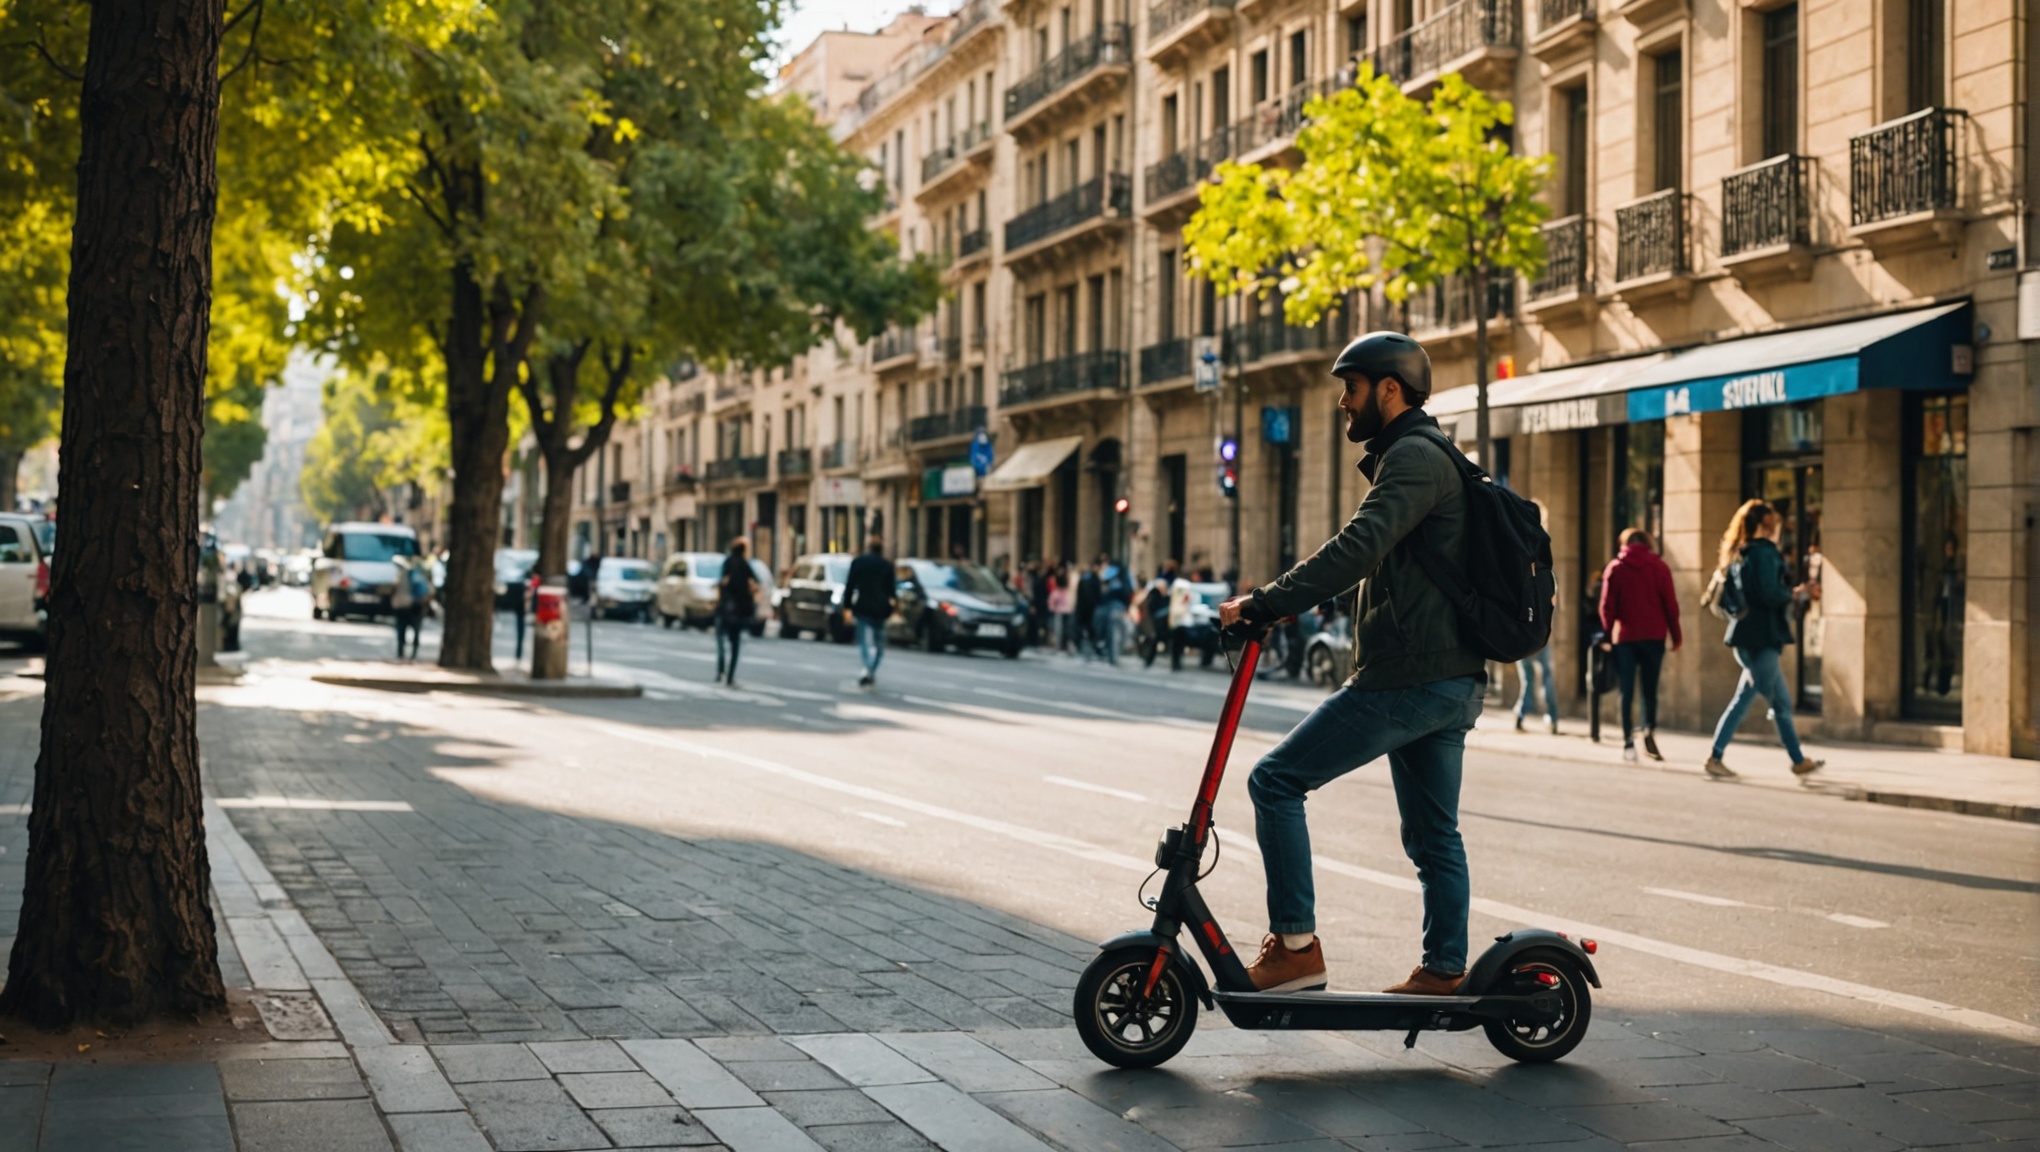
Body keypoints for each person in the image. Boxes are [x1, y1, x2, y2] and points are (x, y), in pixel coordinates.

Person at [1218, 331, 1486, 997]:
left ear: (1389, 389)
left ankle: (1297, 950)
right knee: (1433, 837)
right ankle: (1445, 970)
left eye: (1352, 387)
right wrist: (1288, 606)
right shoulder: (1423, 456)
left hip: (1411, 676)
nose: (1343, 401)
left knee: (1275, 781)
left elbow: (1359, 546)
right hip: (1445, 675)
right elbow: (1378, 559)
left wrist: (1268, 600)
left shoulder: (1416, 459)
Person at [1706, 500, 1824, 779]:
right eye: (1775, 524)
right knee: (1744, 699)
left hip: (1745, 636)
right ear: (1765, 526)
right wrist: (1795, 593)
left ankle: (1798, 761)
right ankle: (1715, 756)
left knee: (1781, 703)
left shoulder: (1740, 554)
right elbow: (1770, 593)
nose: (1778, 530)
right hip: (1763, 637)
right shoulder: (1764, 554)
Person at [1599, 527, 1682, 761]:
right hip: (1654, 637)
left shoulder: (1615, 568)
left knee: (1626, 691)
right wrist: (1676, 636)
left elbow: (1607, 607)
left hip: (1624, 637)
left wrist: (1607, 635)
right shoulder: (1659, 567)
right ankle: (1649, 731)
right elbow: (1671, 605)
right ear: (1647, 543)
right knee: (1649, 690)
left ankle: (1627, 742)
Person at [844, 535, 896, 687]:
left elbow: (850, 587)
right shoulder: (886, 565)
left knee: (864, 642)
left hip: (863, 607)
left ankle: (867, 669)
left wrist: (847, 607)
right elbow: (892, 591)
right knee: (879, 644)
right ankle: (871, 669)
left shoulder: (859, 563)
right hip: (881, 608)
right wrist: (893, 608)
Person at [713, 538, 761, 687]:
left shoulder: (728, 562)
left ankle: (720, 670)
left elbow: (722, 581)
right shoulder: (745, 565)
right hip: (740, 610)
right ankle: (730, 676)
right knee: (735, 645)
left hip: (726, 608)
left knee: (720, 639)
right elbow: (756, 580)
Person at [1095, 553, 1133, 665]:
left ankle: (1104, 647)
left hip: (1106, 606)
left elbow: (1101, 590)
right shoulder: (1124, 575)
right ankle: (1114, 655)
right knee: (1117, 632)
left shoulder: (1108, 572)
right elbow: (1129, 591)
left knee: (1105, 630)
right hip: (1119, 607)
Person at [1513, 641, 1559, 734]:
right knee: (1546, 677)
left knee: (1527, 680)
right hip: (1539, 639)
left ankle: (1520, 717)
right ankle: (1552, 720)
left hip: (1521, 643)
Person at [391, 553, 429, 661]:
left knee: (401, 631)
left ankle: (400, 653)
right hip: (416, 605)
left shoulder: (401, 574)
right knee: (416, 631)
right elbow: (428, 590)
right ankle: (414, 654)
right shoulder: (421, 574)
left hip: (401, 605)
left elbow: (394, 588)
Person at [1074, 561, 1101, 661]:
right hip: (1090, 608)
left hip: (1083, 608)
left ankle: (1084, 648)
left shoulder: (1084, 579)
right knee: (1090, 629)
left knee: (1084, 628)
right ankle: (1091, 648)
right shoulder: (1094, 579)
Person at [1048, 563, 1075, 653]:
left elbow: (1051, 603)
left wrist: (1053, 609)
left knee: (1060, 630)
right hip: (1066, 611)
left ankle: (1061, 645)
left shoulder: (1056, 592)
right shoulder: (1066, 592)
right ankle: (1063, 645)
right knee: (1064, 630)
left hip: (1060, 611)